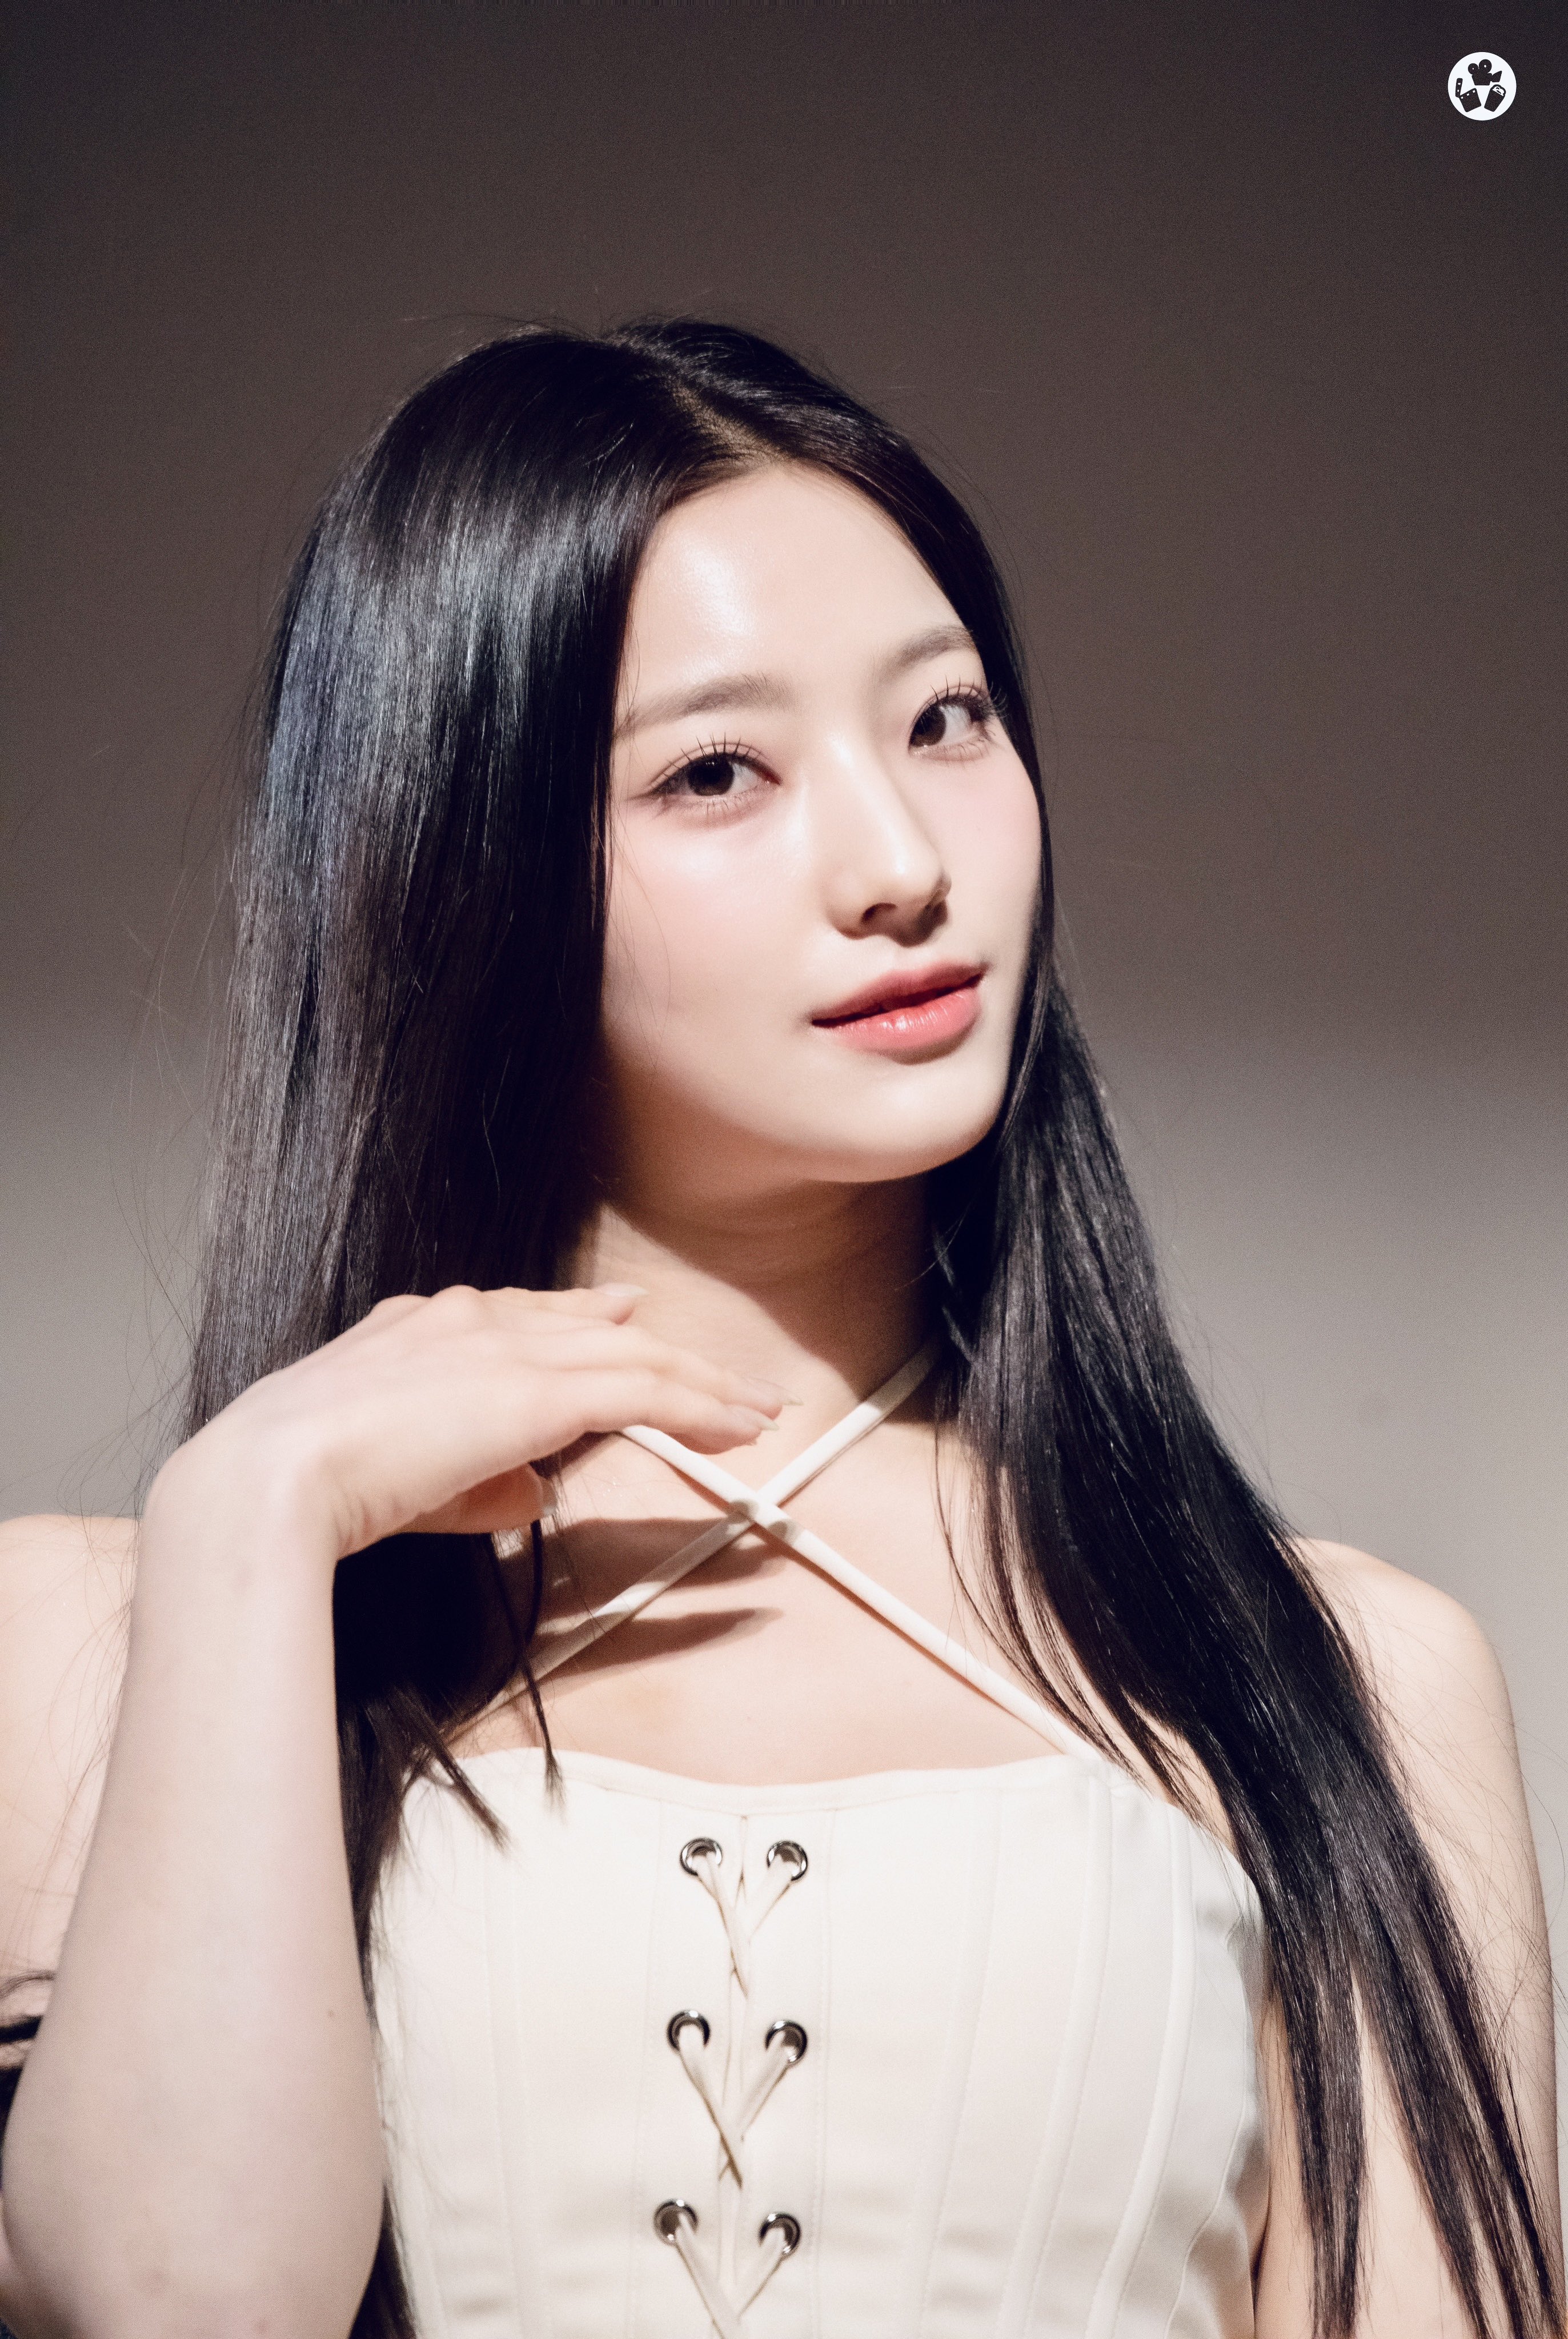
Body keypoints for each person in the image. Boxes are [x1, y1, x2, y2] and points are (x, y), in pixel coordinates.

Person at [0, 321, 1558, 2339]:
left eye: (946, 720)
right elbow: (180, 2301)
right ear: (457, 864)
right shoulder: (97, 1648)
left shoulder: (1339, 1680)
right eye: (716, 772)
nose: (902, 865)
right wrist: (253, 1518)